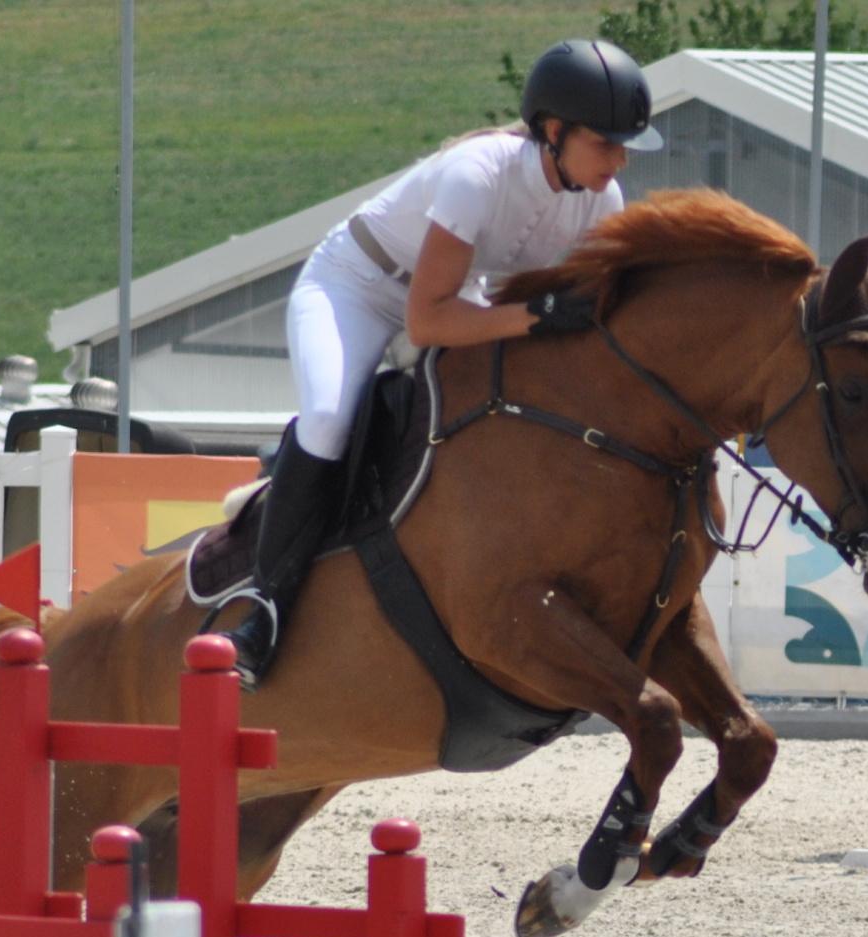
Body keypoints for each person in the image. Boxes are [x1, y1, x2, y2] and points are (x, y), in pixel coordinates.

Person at [210, 39, 663, 688]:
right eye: (606, 144)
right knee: (331, 420)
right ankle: (264, 611)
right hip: (356, 285)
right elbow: (427, 323)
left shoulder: (601, 199)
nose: (619, 160)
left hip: (457, 293)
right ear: (554, 131)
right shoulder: (476, 174)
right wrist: (537, 315)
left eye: (625, 147)